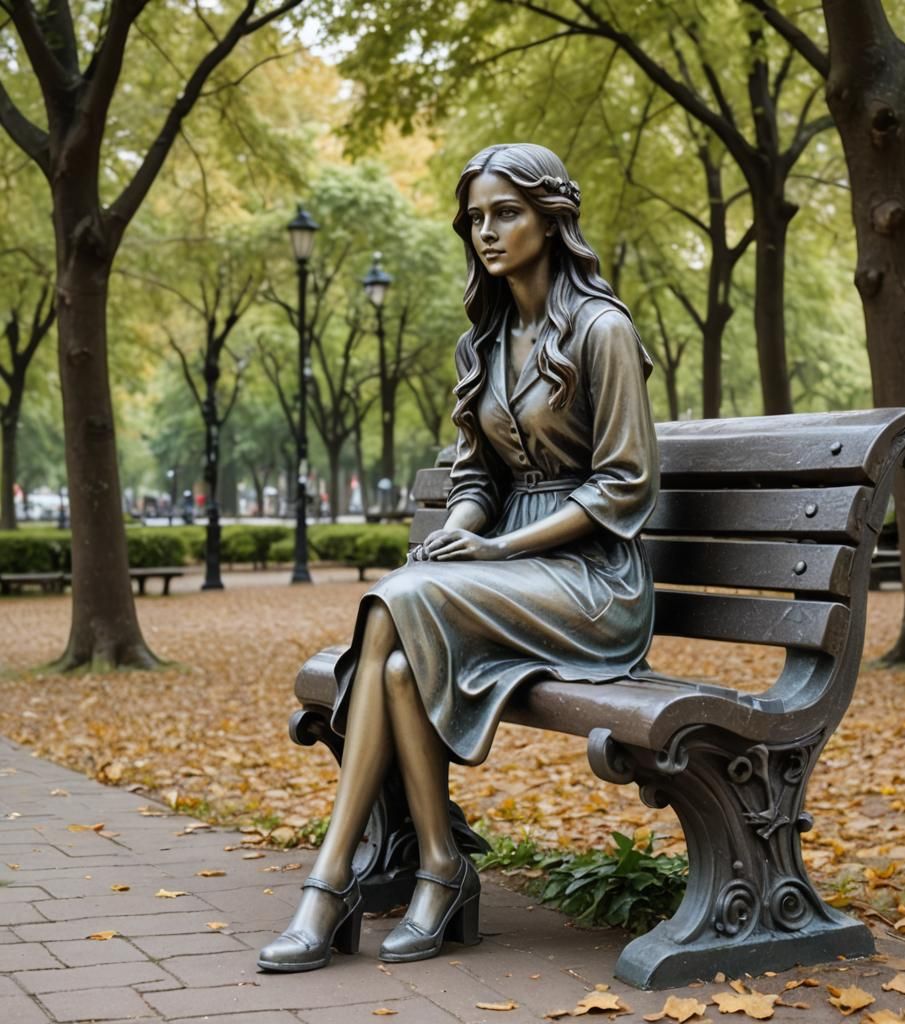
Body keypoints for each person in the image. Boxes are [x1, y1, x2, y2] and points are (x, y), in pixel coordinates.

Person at [258, 142, 659, 973]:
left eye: (506, 212)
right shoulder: (488, 337)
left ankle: (329, 883)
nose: (487, 230)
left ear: (553, 219)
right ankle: (441, 865)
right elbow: (478, 470)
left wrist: (496, 543)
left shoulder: (602, 329)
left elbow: (624, 487)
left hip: (595, 583)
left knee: (399, 598)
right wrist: (465, 523)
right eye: (475, 217)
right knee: (399, 665)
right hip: (511, 574)